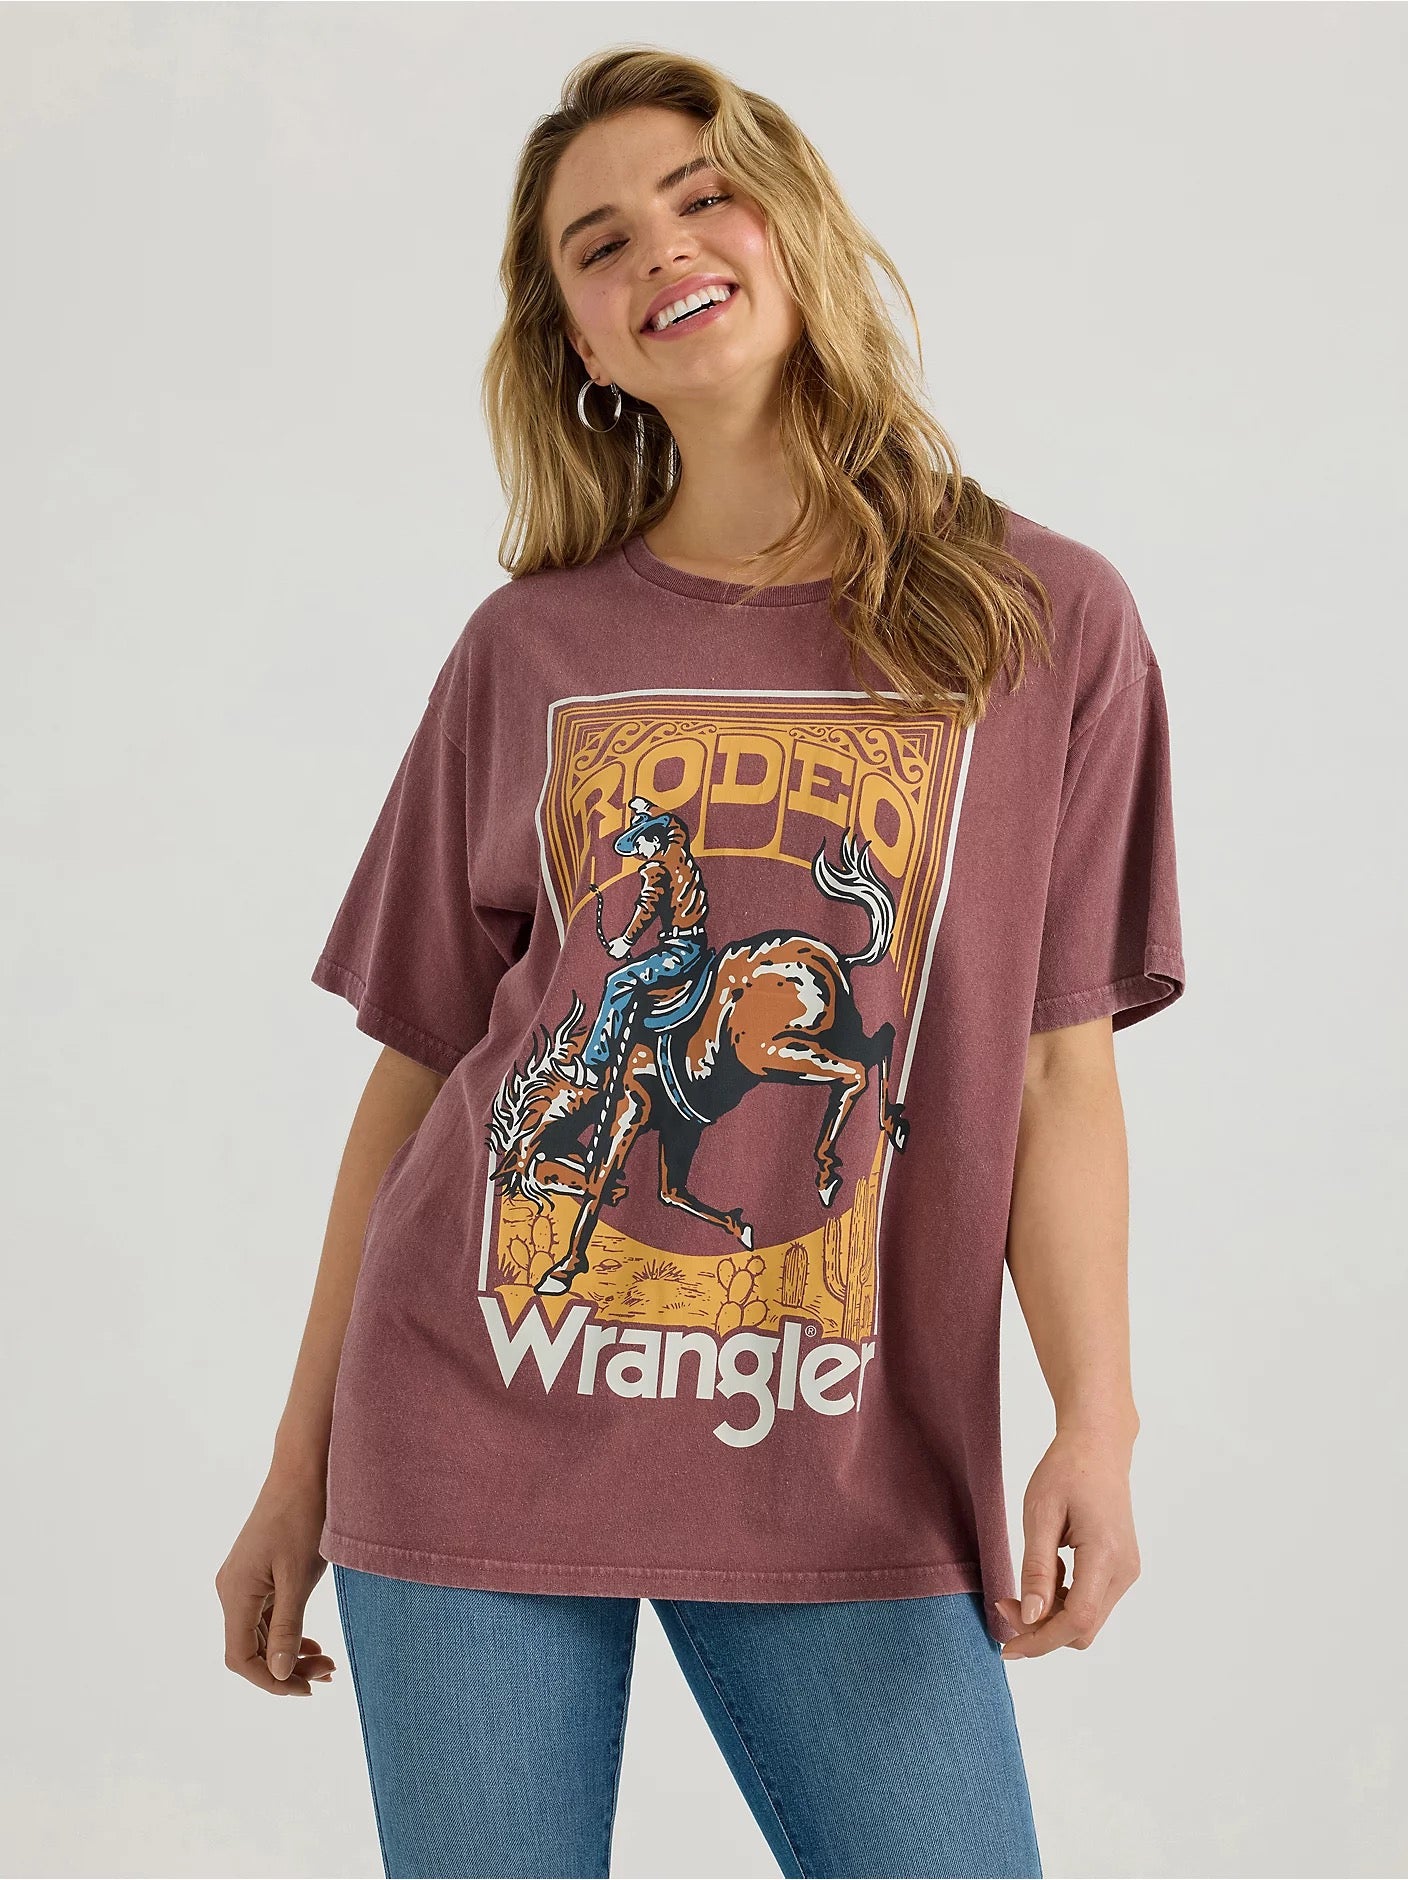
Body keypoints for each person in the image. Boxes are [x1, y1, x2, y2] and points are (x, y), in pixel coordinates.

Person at [215, 44, 1187, 1880]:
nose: (660, 246)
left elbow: (1060, 1068)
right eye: (598, 244)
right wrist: (294, 1473)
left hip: (848, 1459)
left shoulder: (1045, 619)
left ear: (791, 228)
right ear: (582, 343)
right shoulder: (528, 650)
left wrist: (1099, 1424)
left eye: (702, 193)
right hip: (474, 1410)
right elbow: (419, 1079)